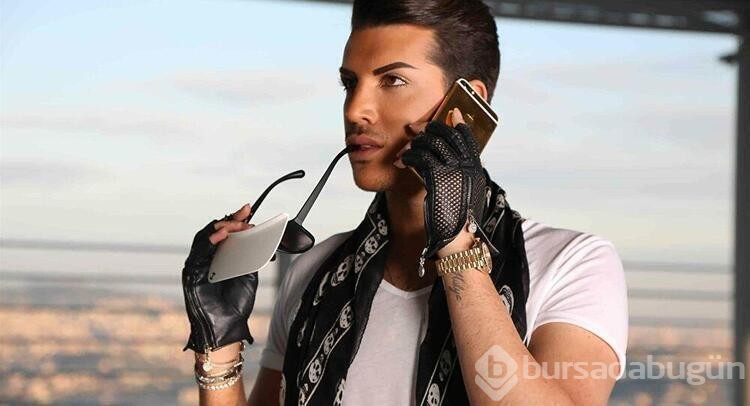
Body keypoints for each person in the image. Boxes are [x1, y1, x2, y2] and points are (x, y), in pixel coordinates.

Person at [181, 0, 629, 405]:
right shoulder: (313, 272)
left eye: (392, 80)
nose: (356, 109)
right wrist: (217, 349)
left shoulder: (572, 264)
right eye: (349, 83)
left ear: (466, 104)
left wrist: (457, 250)